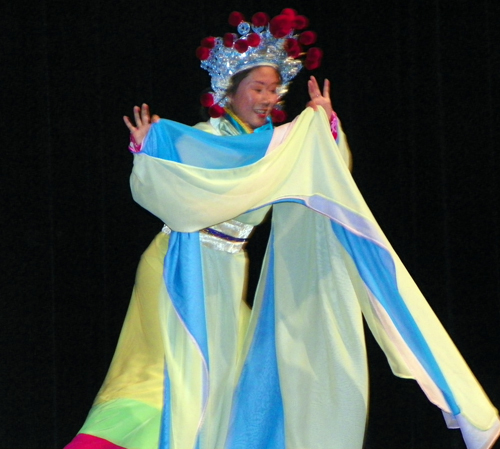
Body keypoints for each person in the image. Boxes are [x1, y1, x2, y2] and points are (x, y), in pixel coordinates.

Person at [65, 9, 500, 449]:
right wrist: (148, 151)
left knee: (229, 387)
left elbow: (327, 180)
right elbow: (164, 191)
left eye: (274, 89)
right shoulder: (206, 135)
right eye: (257, 88)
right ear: (229, 92)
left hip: (226, 270)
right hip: (180, 268)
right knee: (164, 376)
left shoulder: (278, 151)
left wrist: (325, 127)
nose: (267, 98)